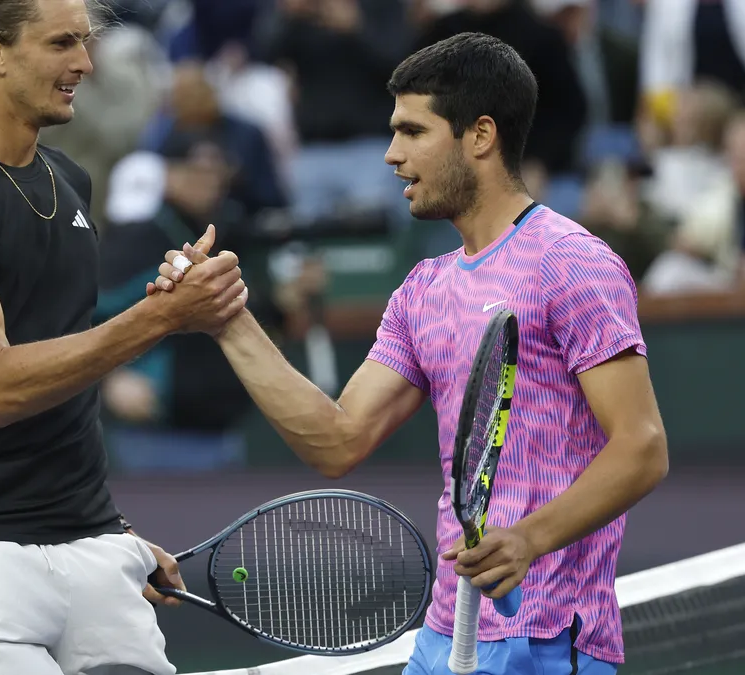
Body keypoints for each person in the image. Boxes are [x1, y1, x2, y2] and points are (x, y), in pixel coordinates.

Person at [149, 33, 668, 674]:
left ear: (480, 136)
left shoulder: (574, 263)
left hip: (547, 639)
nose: (392, 155)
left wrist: (531, 539)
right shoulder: (423, 290)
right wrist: (227, 319)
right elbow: (336, 441)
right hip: (444, 639)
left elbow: (641, 447)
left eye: (412, 131)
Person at [0, 0, 248, 673]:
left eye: (87, 42)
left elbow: (67, 370)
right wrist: (160, 315)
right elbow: (0, 385)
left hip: (94, 545)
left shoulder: (71, 182)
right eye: (63, 43)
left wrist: (113, 531)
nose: (86, 63)